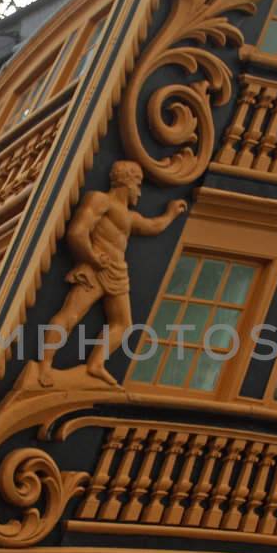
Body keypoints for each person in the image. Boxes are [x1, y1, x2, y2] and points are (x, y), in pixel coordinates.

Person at [37, 160, 185, 386]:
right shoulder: (100, 200)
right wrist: (91, 257)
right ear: (127, 183)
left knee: (123, 323)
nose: (140, 193)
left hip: (117, 273)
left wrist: (171, 214)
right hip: (95, 268)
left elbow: (152, 226)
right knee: (71, 314)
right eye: (138, 185)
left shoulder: (128, 216)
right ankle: (44, 365)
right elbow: (78, 233)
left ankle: (96, 364)